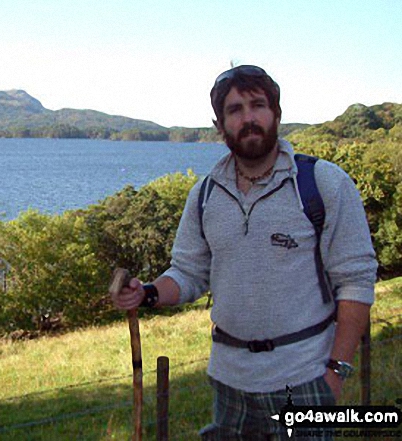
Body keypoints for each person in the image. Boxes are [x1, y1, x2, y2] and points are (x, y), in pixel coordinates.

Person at [110, 65, 378, 440]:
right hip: (229, 382)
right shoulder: (204, 195)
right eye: (235, 110)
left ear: (277, 114)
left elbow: (356, 282)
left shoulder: (323, 184)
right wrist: (148, 293)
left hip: (303, 381)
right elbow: (188, 273)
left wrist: (336, 371)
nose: (248, 118)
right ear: (220, 125)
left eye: (258, 105)